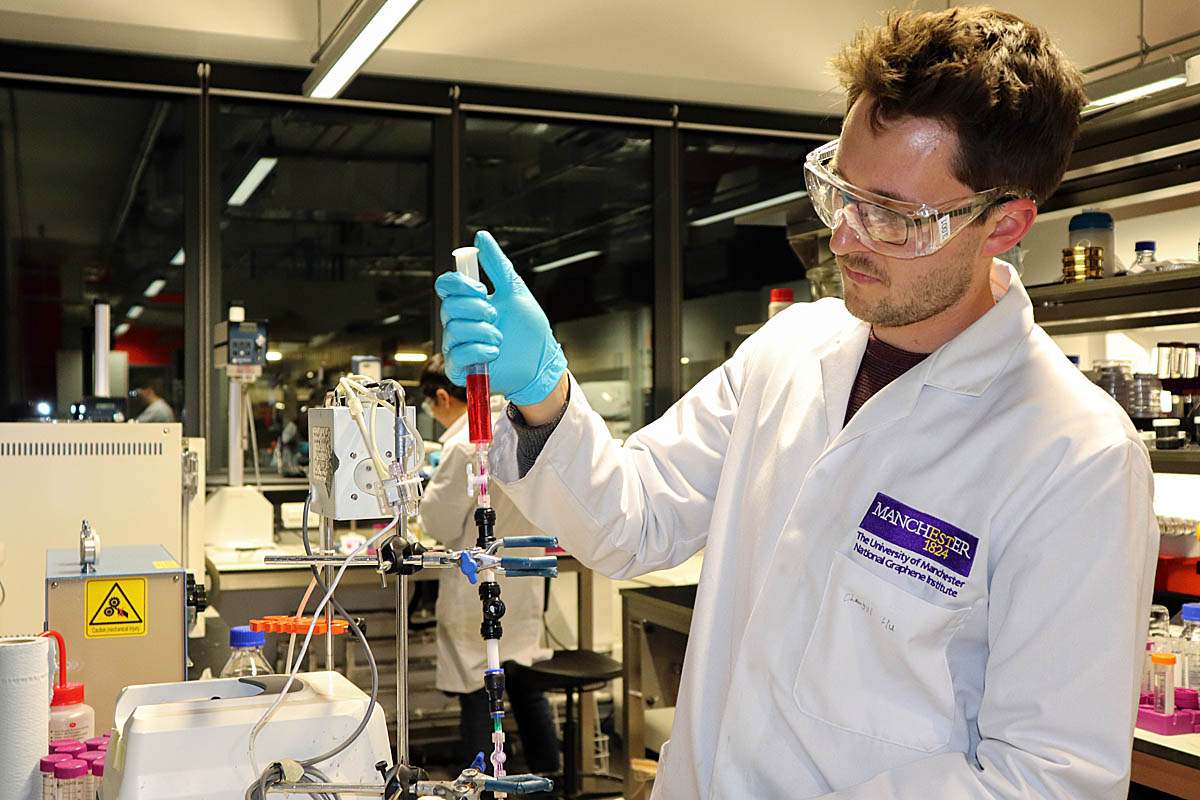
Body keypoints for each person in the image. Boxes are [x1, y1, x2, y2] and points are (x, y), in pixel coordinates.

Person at [435, 7, 1159, 798]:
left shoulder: (1076, 457)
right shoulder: (790, 350)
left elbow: (1050, 779)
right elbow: (631, 524)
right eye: (841, 191)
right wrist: (544, 392)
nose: (845, 236)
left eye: (892, 215)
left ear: (1004, 225)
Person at [416, 354, 561, 776]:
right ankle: (550, 779)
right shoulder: (523, 428)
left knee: (479, 692)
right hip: (523, 581)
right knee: (525, 687)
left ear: (443, 397)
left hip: (477, 590)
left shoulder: (465, 444)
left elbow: (437, 523)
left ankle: (480, 788)